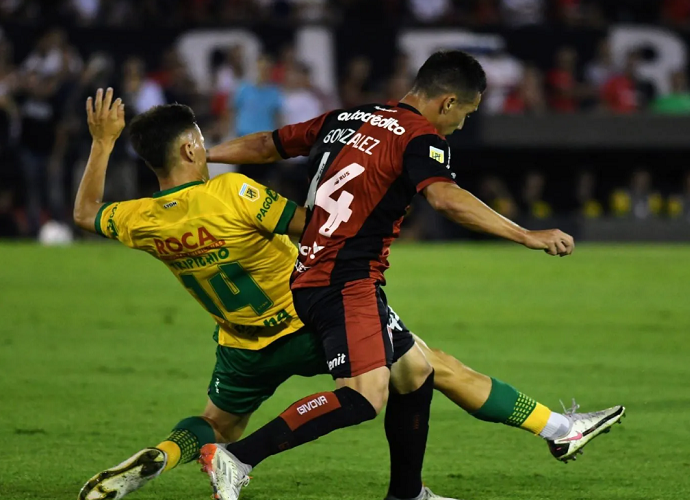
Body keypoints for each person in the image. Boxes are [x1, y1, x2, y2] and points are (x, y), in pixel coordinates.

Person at [74, 90, 622, 500]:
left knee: (216, 421)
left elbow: (84, 213)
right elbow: (315, 226)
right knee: (422, 369)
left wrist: (102, 143)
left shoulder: (140, 218)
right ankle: (556, 429)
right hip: (310, 315)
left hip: (240, 344)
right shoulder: (233, 192)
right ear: (192, 145)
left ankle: (164, 455)